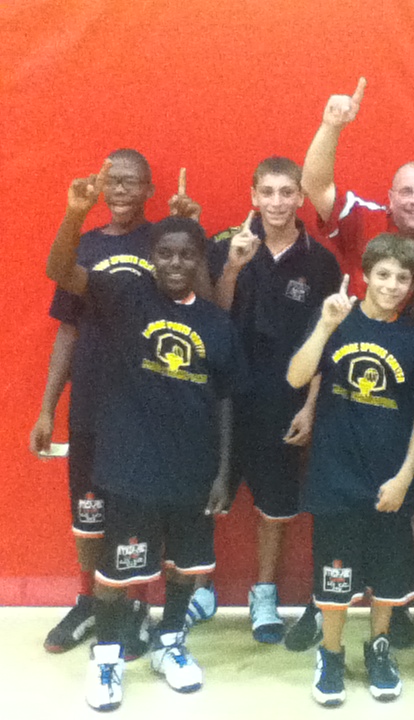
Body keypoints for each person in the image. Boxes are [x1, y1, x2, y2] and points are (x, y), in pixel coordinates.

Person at [46, 161, 247, 712]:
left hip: (192, 472)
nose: (176, 263)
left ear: (199, 261)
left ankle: (170, 643)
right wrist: (75, 213)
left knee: (185, 568)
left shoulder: (216, 324)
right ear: (151, 258)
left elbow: (226, 399)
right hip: (132, 470)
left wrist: (222, 472)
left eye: (186, 255)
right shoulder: (124, 297)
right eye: (166, 254)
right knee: (117, 572)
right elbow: (61, 270)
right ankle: (107, 659)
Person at [30, 152, 200, 657]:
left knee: (140, 511)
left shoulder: (164, 244)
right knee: (89, 512)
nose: (121, 189)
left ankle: (135, 605)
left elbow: (199, 308)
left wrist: (189, 228)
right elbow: (68, 329)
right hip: (91, 402)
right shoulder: (84, 245)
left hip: (148, 406)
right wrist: (47, 408)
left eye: (132, 182)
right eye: (113, 181)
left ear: (150, 190)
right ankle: (89, 601)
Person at [287, 234, 414, 706]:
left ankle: (379, 650)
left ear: (412, 284)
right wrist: (324, 327)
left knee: (387, 580)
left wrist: (405, 477)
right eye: (383, 275)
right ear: (365, 276)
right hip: (335, 477)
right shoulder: (337, 321)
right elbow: (296, 376)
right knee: (334, 579)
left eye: (402, 278)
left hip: (388, 482)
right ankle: (331, 655)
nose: (392, 286)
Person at [206, 156, 341, 646]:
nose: (278, 202)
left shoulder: (320, 261)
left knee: (275, 504)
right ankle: (198, 587)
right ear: (253, 196)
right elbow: (211, 317)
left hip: (284, 400)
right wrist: (233, 268)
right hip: (223, 396)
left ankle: (264, 593)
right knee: (206, 493)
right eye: (268, 192)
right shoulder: (225, 246)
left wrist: (311, 405)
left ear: (301, 197)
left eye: (287, 192)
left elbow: (327, 340)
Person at [302, 77, 414, 301]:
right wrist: (331, 126)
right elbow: (315, 186)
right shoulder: (365, 220)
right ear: (391, 198)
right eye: (406, 192)